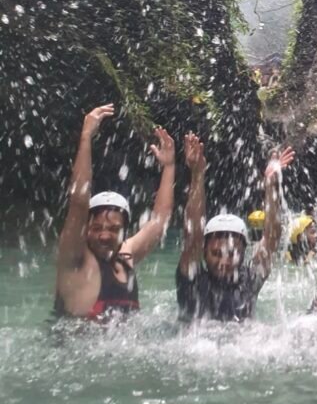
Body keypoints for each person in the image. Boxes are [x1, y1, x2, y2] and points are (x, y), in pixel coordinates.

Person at [54, 104, 175, 320]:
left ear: (124, 231)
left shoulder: (126, 255)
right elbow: (79, 202)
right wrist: (85, 138)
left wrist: (168, 167)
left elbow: (159, 222)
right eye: (97, 227)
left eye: (114, 229)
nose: (104, 235)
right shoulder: (75, 260)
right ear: (86, 228)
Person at [177, 133, 294, 321]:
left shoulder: (248, 281)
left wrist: (271, 187)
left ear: (243, 253)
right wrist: (197, 175)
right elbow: (193, 234)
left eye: (232, 254)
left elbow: (271, 239)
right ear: (203, 252)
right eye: (216, 253)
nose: (224, 262)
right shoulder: (193, 281)